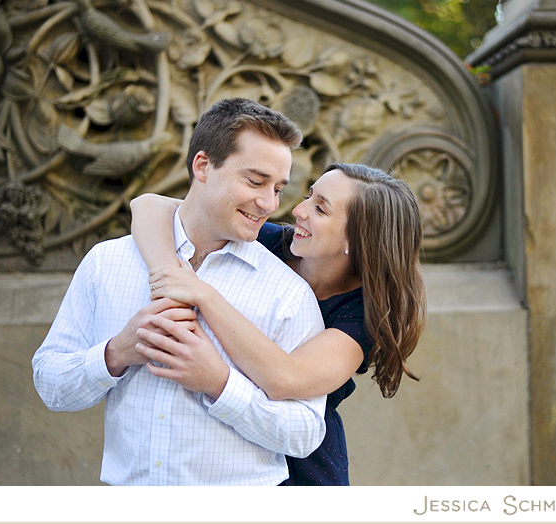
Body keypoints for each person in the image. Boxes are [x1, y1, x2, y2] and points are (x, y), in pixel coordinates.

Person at [32, 98, 327, 486]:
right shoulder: (108, 262)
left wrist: (219, 384)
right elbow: (51, 386)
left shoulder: (287, 292)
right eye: (255, 182)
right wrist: (115, 354)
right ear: (202, 165)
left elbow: (304, 434)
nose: (269, 203)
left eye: (277, 188)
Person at [130, 162, 427, 485]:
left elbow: (285, 377)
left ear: (357, 239)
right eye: (308, 196)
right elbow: (148, 205)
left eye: (320, 209)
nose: (298, 210)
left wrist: (204, 295)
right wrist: (169, 282)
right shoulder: (272, 243)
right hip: (221, 457)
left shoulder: (363, 313)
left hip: (299, 469)